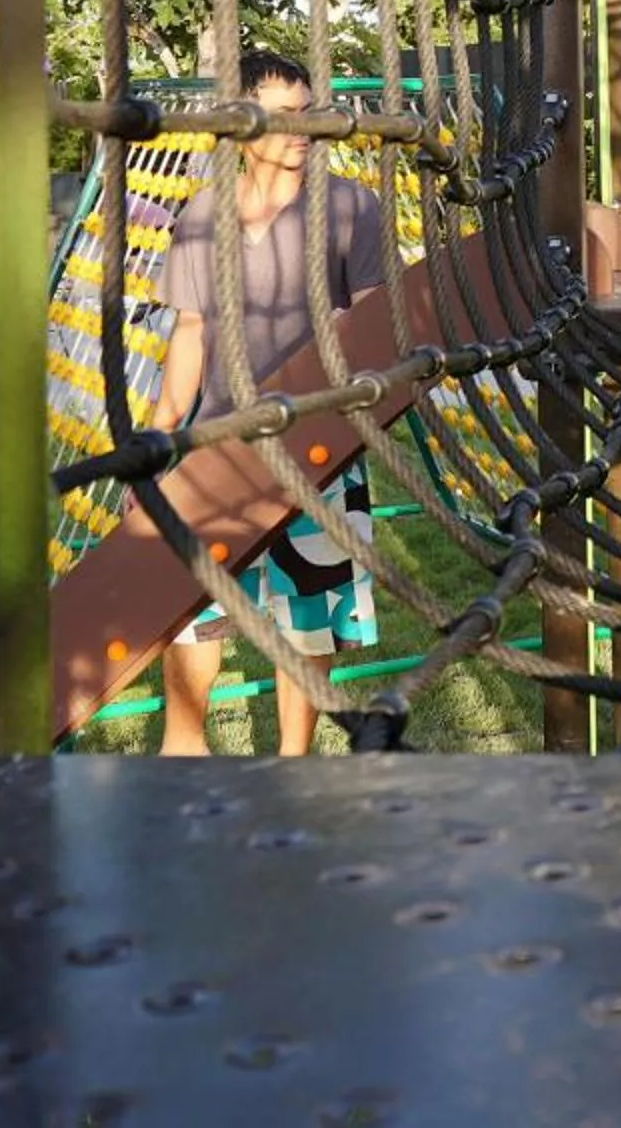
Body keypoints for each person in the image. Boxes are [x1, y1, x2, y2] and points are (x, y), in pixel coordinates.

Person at [152, 48, 391, 755]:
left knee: (310, 618)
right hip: (219, 448)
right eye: (285, 114)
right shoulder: (201, 220)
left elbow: (379, 319)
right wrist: (157, 443)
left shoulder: (351, 207)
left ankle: (295, 766)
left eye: (309, 111)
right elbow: (189, 337)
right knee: (195, 612)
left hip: (319, 450)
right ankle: (183, 752)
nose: (302, 127)